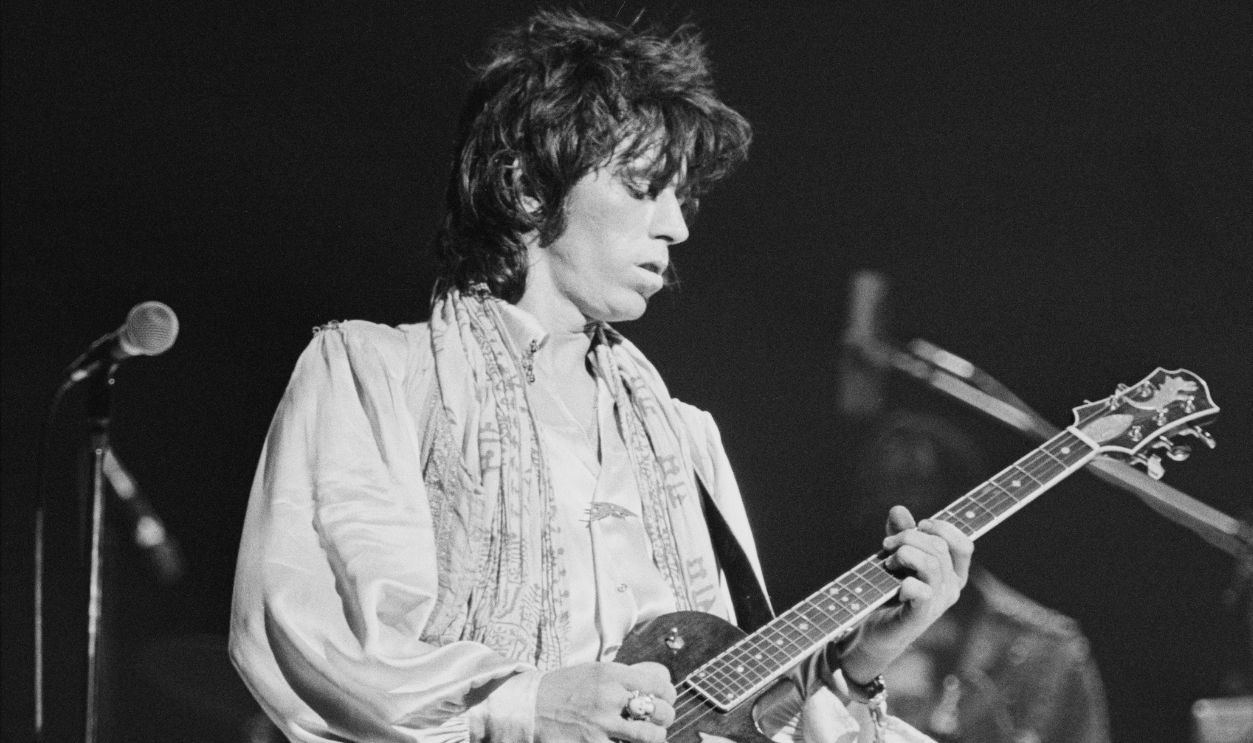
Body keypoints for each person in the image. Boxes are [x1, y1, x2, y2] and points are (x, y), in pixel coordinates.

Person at [229, 10, 973, 742]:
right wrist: (525, 705)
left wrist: (858, 661)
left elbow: (722, 714)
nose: (677, 226)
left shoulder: (683, 439)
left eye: (682, 197)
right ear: (526, 185)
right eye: (644, 187)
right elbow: (319, 643)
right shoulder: (376, 375)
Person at [849, 410, 1112, 743]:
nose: (902, 520)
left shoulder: (1047, 647)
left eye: (921, 489)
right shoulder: (833, 646)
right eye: (882, 492)